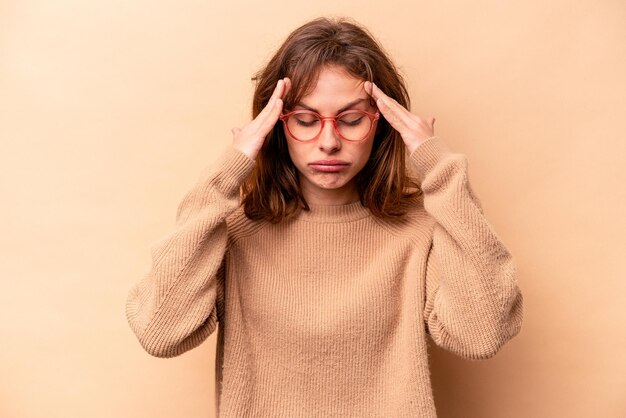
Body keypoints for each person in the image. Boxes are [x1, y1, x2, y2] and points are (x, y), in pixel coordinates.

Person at [125, 16, 524, 417]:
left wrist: (437, 165)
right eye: (305, 120)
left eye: (351, 120)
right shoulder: (233, 232)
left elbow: (481, 335)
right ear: (276, 126)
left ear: (380, 123)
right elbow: (161, 332)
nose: (329, 142)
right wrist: (227, 174)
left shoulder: (418, 233)